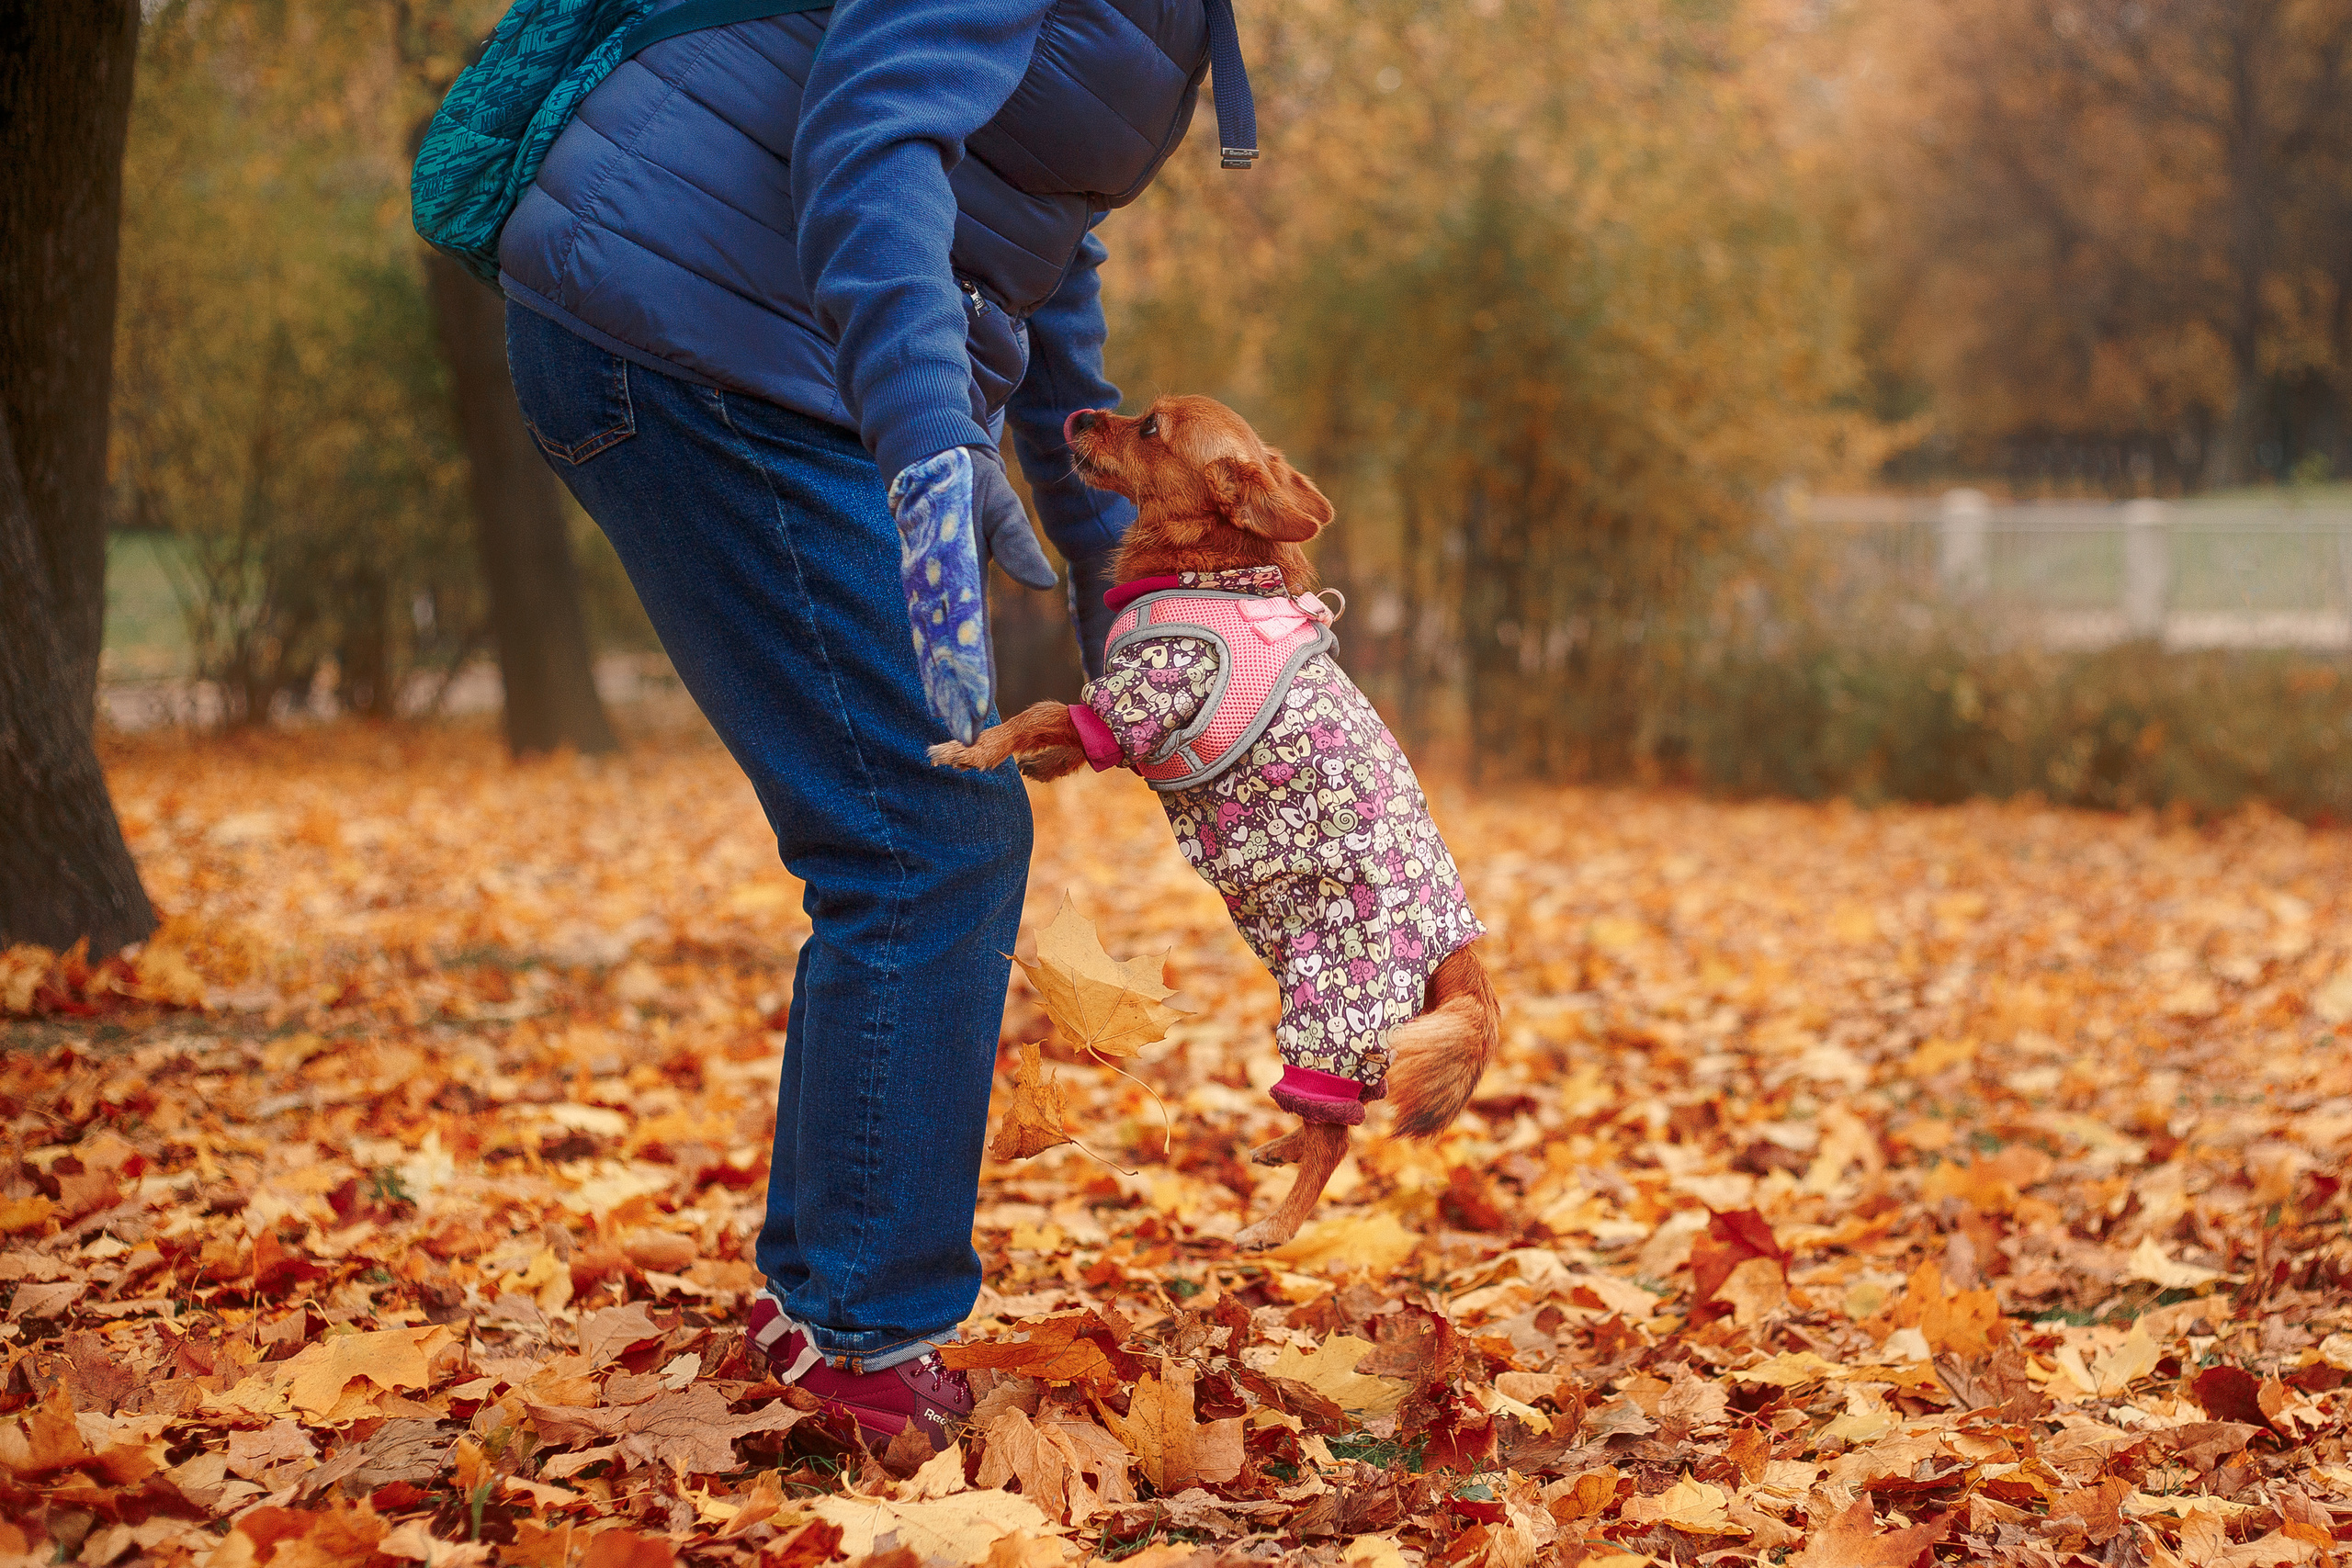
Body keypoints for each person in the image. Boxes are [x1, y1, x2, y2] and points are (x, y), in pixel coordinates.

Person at [495, 0, 1253, 1450]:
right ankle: (856, 1337)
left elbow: (1040, 249)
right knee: (925, 832)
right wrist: (929, 438)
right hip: (704, 327)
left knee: (909, 829)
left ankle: (824, 1307)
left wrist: (1129, 616)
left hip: (735, 331)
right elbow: (873, 122)